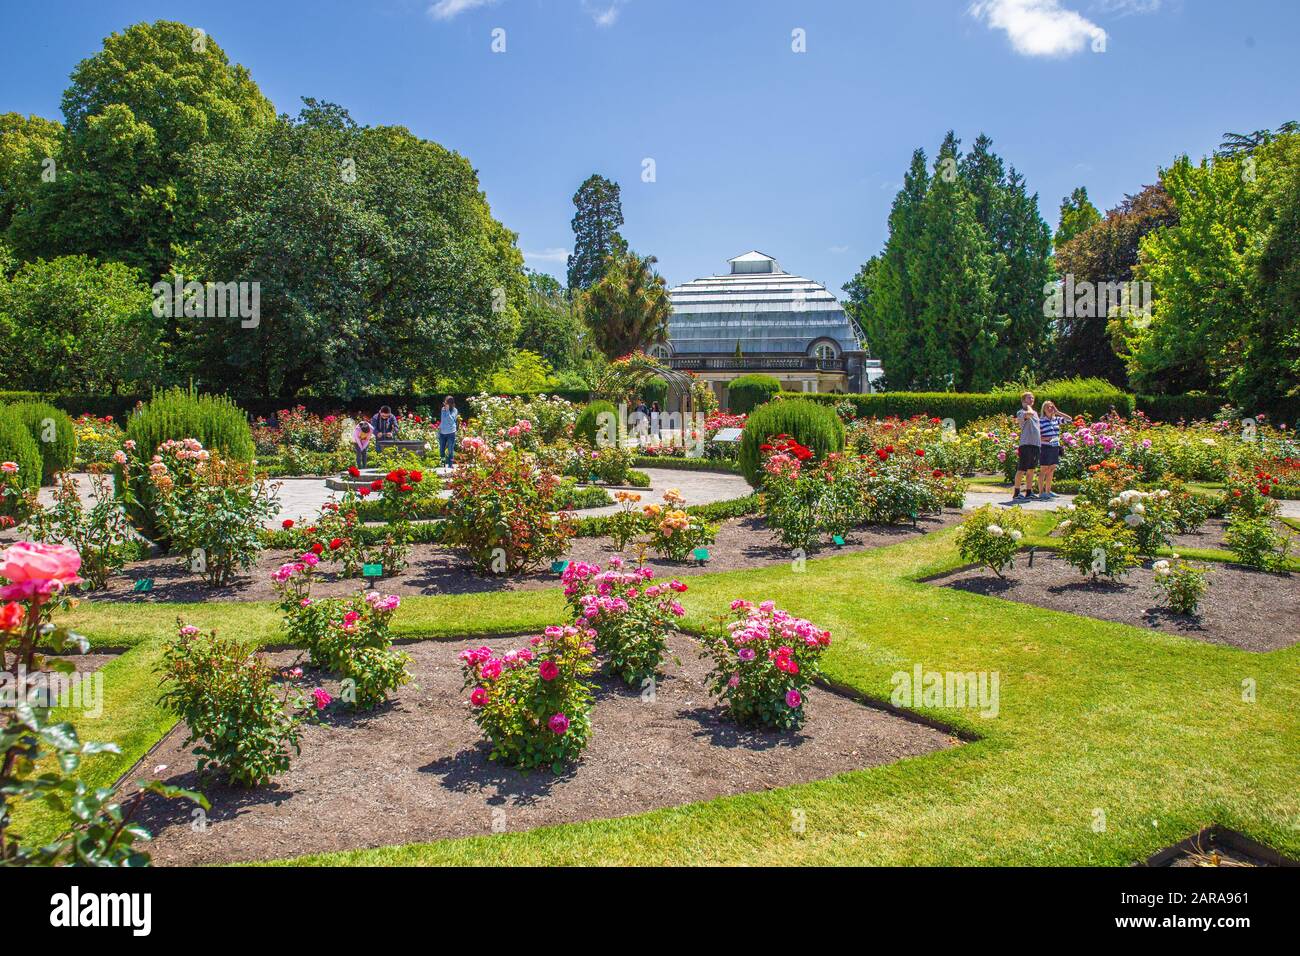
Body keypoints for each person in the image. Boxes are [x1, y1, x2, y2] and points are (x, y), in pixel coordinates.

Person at [1036, 400, 1072, 499]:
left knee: (1052, 469)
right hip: (1045, 447)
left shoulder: (1056, 419)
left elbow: (1069, 419)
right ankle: (1041, 492)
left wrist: (1058, 412)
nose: (1050, 408)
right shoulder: (1040, 421)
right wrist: (1045, 438)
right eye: (1048, 407)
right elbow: (1036, 436)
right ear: (1044, 409)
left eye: (1052, 407)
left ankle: (1048, 491)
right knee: (1043, 469)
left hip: (1055, 446)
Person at [1013, 391, 1041, 501]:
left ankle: (1029, 492)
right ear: (1023, 400)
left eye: (1033, 398)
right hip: (1026, 444)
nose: (1032, 400)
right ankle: (1016, 493)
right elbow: (1028, 415)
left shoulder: (1036, 413)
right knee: (1021, 469)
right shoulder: (1021, 412)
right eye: (1029, 398)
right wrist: (1028, 407)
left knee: (1031, 469)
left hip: (1036, 445)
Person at [438, 395, 459, 467]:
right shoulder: (443, 409)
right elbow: (443, 420)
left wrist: (447, 411)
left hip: (451, 433)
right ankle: (442, 464)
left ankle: (450, 465)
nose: (445, 404)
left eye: (446, 402)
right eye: (445, 402)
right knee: (441, 450)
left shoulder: (455, 410)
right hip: (442, 433)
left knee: (450, 450)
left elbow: (451, 421)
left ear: (450, 403)